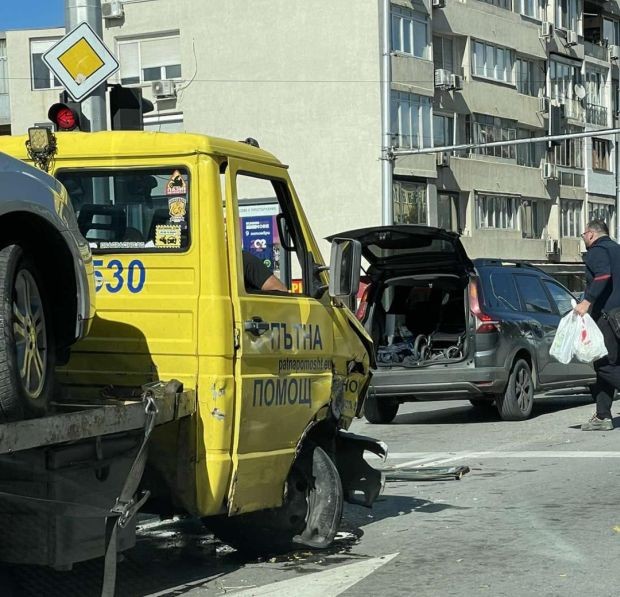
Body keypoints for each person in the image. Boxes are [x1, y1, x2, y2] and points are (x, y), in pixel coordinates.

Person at [573, 219, 620, 430]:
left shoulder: (597, 251)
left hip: (608, 316)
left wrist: (586, 300)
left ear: (591, 234)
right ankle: (602, 416)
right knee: (608, 363)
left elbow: (603, 275)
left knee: (605, 365)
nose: (582, 238)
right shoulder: (617, 250)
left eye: (583, 234)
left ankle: (602, 415)